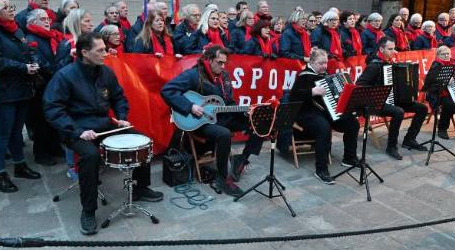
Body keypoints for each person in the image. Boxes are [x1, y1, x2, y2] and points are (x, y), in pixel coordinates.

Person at [44, 32, 163, 235]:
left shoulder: (106, 72)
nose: (105, 53)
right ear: (84, 53)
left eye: (105, 49)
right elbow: (53, 109)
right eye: (100, 50)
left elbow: (118, 97)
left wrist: (122, 115)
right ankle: (88, 210)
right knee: (90, 156)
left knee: (142, 141)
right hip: (76, 129)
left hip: (103, 124)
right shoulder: (65, 76)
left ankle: (141, 188)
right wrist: (78, 131)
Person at [160, 45, 264, 196]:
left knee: (259, 123)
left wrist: (245, 112)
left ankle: (241, 159)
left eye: (224, 63)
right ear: (208, 60)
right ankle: (222, 179)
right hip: (201, 121)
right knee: (224, 134)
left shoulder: (225, 77)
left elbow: (228, 102)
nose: (223, 66)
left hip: (221, 116)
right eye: (219, 62)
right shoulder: (194, 75)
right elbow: (167, 90)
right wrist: (190, 106)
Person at [0, 0, 42, 193]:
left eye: (10, 6)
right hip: (4, 91)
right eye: (7, 7)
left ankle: (20, 164)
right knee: (3, 134)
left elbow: (25, 47)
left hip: (21, 88)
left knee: (17, 131)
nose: (12, 10)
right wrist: (23, 68)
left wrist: (32, 60)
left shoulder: (13, 28)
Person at [288, 48, 361, 184]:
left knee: (353, 123)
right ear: (312, 62)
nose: (324, 66)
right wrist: (312, 91)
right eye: (321, 63)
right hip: (306, 114)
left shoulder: (325, 75)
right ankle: (321, 169)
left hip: (326, 112)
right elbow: (293, 98)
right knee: (323, 128)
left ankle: (349, 158)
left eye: (326, 63)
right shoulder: (304, 76)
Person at [356, 37, 428, 160]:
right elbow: (360, 86)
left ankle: (409, 139)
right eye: (390, 49)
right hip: (376, 102)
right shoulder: (374, 66)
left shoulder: (390, 63)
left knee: (422, 108)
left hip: (393, 100)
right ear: (381, 49)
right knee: (398, 112)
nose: (394, 51)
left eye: (394, 48)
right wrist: (378, 91)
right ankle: (391, 146)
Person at [25, 8, 65, 166]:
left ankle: (54, 147)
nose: (48, 21)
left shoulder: (50, 37)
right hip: (43, 85)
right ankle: (41, 153)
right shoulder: (31, 39)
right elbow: (39, 62)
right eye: (43, 19)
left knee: (54, 117)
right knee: (41, 120)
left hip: (53, 82)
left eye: (48, 18)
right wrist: (58, 72)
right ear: (33, 22)